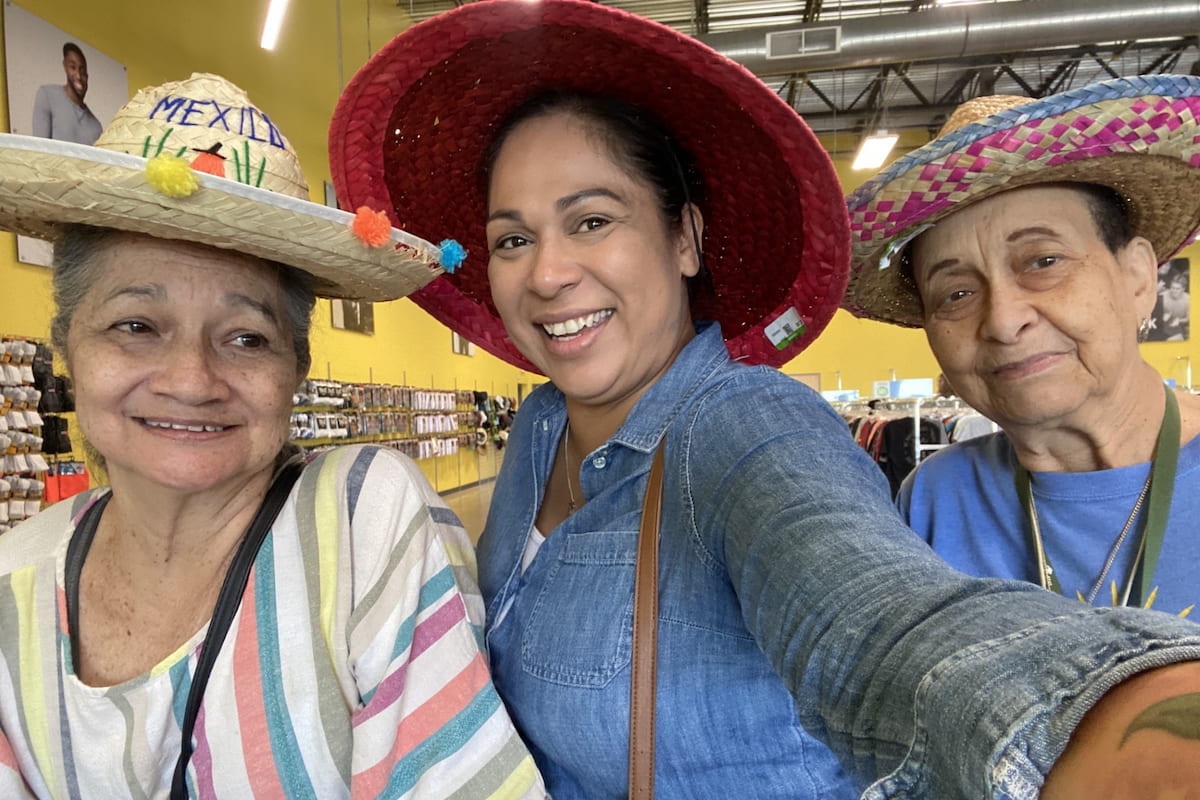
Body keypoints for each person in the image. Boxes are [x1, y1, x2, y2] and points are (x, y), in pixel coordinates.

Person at [330, 5, 1200, 797]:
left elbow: (877, 621)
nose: (548, 272)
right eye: (513, 238)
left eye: (593, 220)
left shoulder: (745, 423)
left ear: (684, 237)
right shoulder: (537, 430)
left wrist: (1136, 724)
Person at [0, 73, 546, 798]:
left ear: (297, 367)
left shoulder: (358, 524)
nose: (192, 380)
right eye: (136, 326)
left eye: (247, 338)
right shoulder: (13, 582)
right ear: (68, 344)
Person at [843, 77, 1200, 618]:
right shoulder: (936, 500)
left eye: (1042, 262)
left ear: (1138, 276)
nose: (1005, 322)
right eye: (956, 293)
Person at [31, 42, 102, 145]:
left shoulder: (96, 127)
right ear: (65, 67)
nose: (78, 76)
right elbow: (39, 150)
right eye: (73, 67)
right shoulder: (47, 95)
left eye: (82, 71)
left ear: (87, 76)